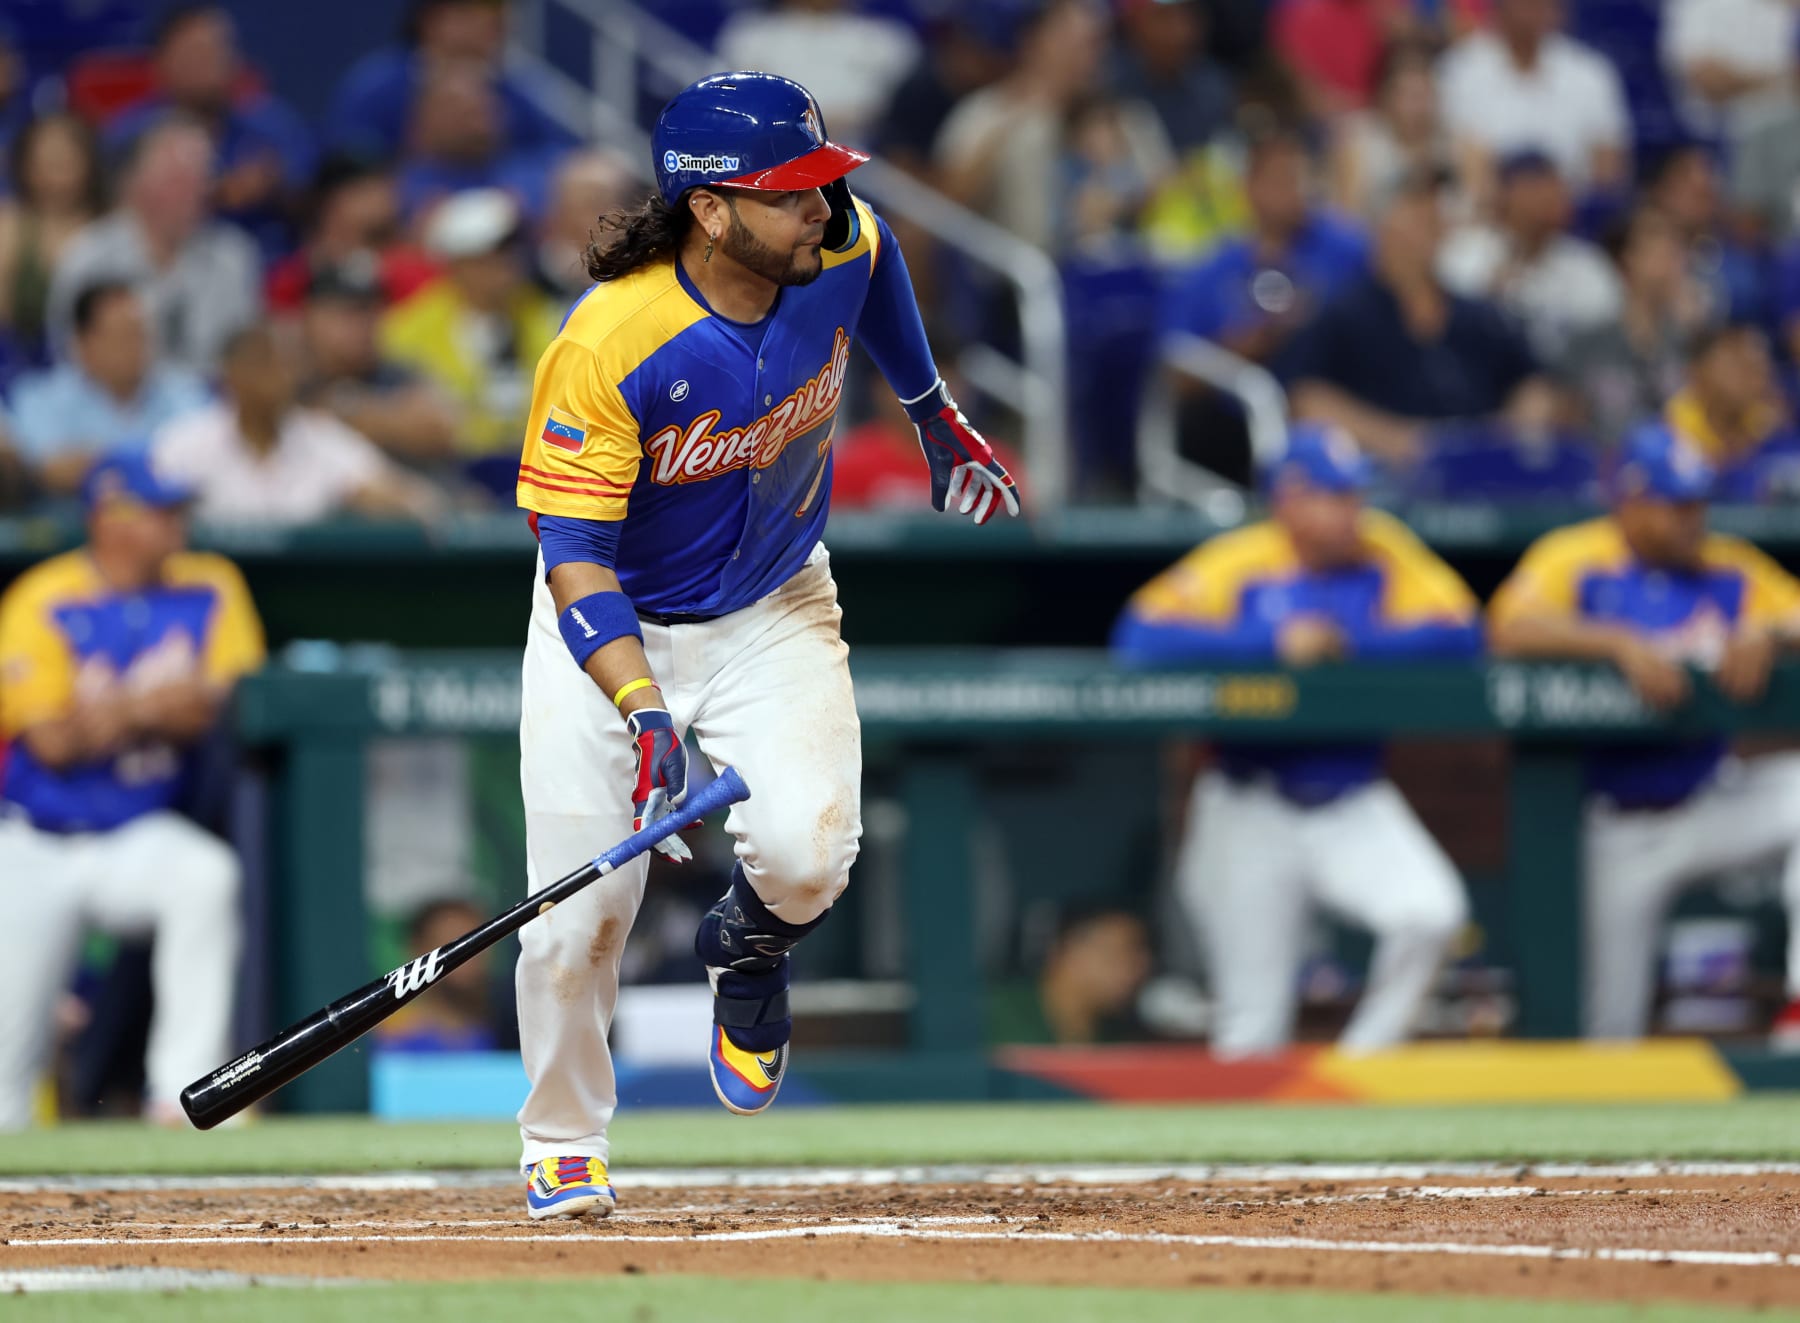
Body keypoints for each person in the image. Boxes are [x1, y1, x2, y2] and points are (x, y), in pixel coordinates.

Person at [511, 72, 1018, 1220]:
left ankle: (746, 951)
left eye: (821, 185)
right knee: (578, 919)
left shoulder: (835, 244)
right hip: (613, 629)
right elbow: (575, 556)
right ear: (708, 208)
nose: (820, 211)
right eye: (789, 195)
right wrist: (640, 707)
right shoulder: (611, 341)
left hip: (774, 602)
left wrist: (932, 412)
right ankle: (563, 1140)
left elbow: (879, 261)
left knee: (804, 854)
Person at [1111, 425, 1477, 1056]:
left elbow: (1463, 635)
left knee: (1430, 915)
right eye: (1334, 496)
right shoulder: (1244, 559)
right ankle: (1241, 1155)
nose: (1351, 510)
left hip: (1351, 799)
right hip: (1247, 804)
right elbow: (1140, 640)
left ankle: (1365, 1067)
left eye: (1354, 495)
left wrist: (1349, 645)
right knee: (1251, 1027)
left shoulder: (1384, 550)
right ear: (1290, 499)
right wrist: (1268, 649)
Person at [1487, 425, 1800, 1042]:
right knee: (1609, 1036)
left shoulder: (1728, 567)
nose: (1692, 520)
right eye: (1674, 505)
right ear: (1629, 501)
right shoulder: (1577, 557)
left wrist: (1769, 634)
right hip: (1615, 827)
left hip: (1711, 799)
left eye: (1699, 504)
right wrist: (1617, 642)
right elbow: (1509, 626)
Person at [0, 452, 264, 1128]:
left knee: (206, 876)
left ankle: (185, 1098)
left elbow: (213, 702)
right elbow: (53, 742)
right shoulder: (43, 596)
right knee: (6, 1076)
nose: (177, 523)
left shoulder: (209, 584)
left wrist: (123, 710)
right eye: (158, 510)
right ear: (109, 521)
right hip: (36, 841)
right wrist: (151, 705)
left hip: (134, 834)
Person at [1288, 168, 1556, 465]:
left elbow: (1534, 384)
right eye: (1415, 216)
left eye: (1433, 219)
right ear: (1383, 226)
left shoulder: (1479, 316)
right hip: (1382, 476)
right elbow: (1306, 399)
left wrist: (1509, 434)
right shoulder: (1342, 313)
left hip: (1480, 475)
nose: (1429, 229)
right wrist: (1403, 442)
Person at [934, 0, 1168, 253]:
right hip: (1021, 281)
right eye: (1080, 44)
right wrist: (1014, 122)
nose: (1093, 57)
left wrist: (1122, 187)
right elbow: (942, 213)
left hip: (1121, 271)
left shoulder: (1126, 116)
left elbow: (1169, 198)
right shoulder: (986, 115)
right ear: (1035, 43)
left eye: (1100, 44)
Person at [152, 324, 441, 524]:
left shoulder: (318, 437)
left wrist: (381, 500)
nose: (282, 377)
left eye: (289, 365)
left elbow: (414, 498)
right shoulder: (186, 443)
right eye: (266, 364)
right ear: (232, 375)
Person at [47, 117, 260, 373]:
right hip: (109, 404)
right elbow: (67, 353)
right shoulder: (89, 256)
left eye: (203, 179)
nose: (197, 192)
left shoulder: (234, 255)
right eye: (180, 180)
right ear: (140, 183)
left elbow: (248, 355)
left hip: (212, 406)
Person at [103, 5, 316, 257]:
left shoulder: (274, 125)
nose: (208, 64)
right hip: (161, 267)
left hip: (271, 272)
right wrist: (213, 194)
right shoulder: (130, 133)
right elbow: (110, 214)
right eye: (194, 53)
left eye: (216, 50)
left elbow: (318, 204)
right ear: (161, 63)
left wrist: (276, 186)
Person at [1162, 123, 1368, 378]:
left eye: (1302, 177)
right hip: (1237, 408)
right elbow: (1176, 374)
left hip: (1336, 395)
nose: (1296, 190)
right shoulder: (1213, 269)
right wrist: (1253, 343)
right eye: (1281, 179)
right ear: (1249, 187)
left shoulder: (1350, 250)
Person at [380, 188, 560, 459]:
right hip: (446, 470)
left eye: (513, 250)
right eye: (494, 254)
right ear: (458, 263)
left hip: (532, 466)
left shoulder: (548, 321)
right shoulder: (408, 330)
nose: (507, 265)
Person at [6, 282, 210, 496]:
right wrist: (151, 464)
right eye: (123, 336)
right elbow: (50, 471)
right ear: (82, 344)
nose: (137, 347)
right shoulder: (40, 398)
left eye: (141, 334)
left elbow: (204, 463)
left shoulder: (185, 392)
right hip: (74, 525)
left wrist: (100, 463)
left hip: (168, 523)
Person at [325, 0, 576, 165]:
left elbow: (558, 155)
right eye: (474, 11)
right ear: (432, 20)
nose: (495, 22)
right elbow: (349, 162)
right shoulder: (375, 85)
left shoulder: (518, 86)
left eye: (498, 12)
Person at [1437, 150, 1622, 361]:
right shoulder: (1467, 252)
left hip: (1570, 379)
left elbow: (1609, 337)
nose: (1551, 197)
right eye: (1535, 187)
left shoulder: (1586, 263)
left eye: (1555, 186)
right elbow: (1447, 327)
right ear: (1505, 194)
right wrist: (1488, 291)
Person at [1437, 0, 1632, 199]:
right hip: (1488, 213)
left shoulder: (1590, 72)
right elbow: (1462, 159)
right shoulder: (1459, 70)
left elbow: (1609, 166)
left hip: (1572, 212)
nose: (1532, 11)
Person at [1559, 206, 1709, 449]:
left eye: (1676, 249)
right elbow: (1564, 423)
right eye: (1657, 246)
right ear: (1626, 259)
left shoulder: (1696, 342)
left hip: (1684, 475)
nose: (1671, 259)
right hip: (1607, 472)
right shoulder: (1586, 343)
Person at [297, 259, 459, 469]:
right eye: (348, 313)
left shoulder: (398, 372)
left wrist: (345, 408)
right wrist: (393, 418)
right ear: (311, 316)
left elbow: (440, 431)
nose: (363, 324)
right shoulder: (291, 374)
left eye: (370, 311)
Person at [715, 0, 920, 147]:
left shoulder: (886, 39)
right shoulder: (750, 34)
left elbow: (903, 110)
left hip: (864, 154)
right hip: (773, 147)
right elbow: (728, 98)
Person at [265, 156, 437, 315]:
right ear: (332, 201)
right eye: (366, 191)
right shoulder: (294, 274)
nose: (384, 198)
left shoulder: (410, 265)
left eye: (385, 187)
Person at [0, 114, 106, 364]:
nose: (56, 165)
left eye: (65, 156)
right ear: (25, 163)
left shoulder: (114, 226)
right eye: (46, 156)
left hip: (103, 366)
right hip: (23, 366)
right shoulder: (9, 226)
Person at [1663, 322, 1800, 502]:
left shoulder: (1772, 425)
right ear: (1697, 373)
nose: (1755, 374)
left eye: (1758, 365)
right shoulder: (1672, 429)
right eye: (1737, 363)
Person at [1327, 38, 1458, 225]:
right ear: (1386, 98)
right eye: (1409, 96)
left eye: (1425, 94)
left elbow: (1476, 210)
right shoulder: (1357, 148)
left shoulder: (1460, 146)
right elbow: (1346, 220)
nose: (1419, 106)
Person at [987, 906, 1154, 1045]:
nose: (1137, 970)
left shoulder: (1118, 1038)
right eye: (1122, 952)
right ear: (1067, 950)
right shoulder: (992, 1012)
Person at [374, 898, 505, 1051]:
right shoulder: (390, 1036)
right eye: (451, 947)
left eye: (479, 946)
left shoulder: (511, 1028)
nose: (468, 959)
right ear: (417, 950)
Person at [1109, 0, 1233, 155]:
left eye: (1187, 14)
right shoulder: (1107, 87)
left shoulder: (1214, 87)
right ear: (1134, 21)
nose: (1180, 31)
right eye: (1165, 16)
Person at [533, 150, 640, 301]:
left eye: (592, 205)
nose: (576, 218)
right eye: (569, 206)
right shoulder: (533, 279)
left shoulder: (643, 278)